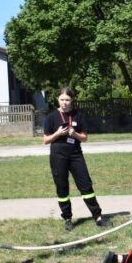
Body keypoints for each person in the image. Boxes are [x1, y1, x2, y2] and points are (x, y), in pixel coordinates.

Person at [42, 87, 107, 231]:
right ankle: (67, 218)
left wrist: (74, 134)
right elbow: (45, 140)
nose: (65, 103)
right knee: (62, 186)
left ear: (72, 100)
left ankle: (98, 216)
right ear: (57, 100)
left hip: (75, 154)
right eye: (62, 100)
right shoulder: (51, 117)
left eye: (67, 100)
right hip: (58, 155)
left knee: (86, 185)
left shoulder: (78, 115)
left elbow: (85, 138)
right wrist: (58, 133)